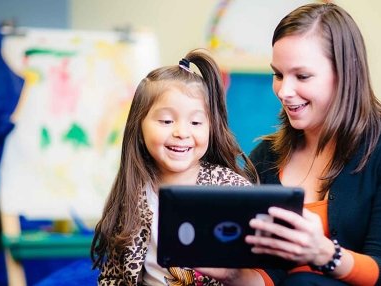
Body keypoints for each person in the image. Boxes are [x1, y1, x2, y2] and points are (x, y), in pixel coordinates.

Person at [200, 2, 381, 286]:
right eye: (279, 74)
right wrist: (232, 276)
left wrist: (322, 252)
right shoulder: (266, 157)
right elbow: (271, 274)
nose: (284, 91)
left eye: (302, 76)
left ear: (345, 74)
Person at [90, 48, 258, 285]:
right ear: (139, 127)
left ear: (211, 127)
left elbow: (256, 272)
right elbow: (113, 275)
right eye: (167, 121)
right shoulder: (133, 192)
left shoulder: (232, 190)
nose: (181, 133)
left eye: (196, 122)